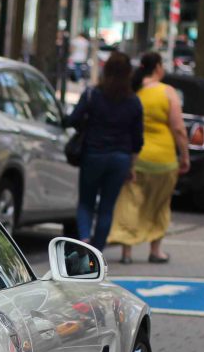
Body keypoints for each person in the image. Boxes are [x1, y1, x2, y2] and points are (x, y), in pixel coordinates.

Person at [109, 52, 191, 264]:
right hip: (164, 159)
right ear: (157, 68)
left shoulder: (133, 91)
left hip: (137, 157)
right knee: (160, 204)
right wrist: (185, 155)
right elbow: (178, 128)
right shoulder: (167, 92)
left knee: (130, 202)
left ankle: (126, 252)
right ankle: (156, 251)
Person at [66, 51, 144, 252]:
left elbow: (73, 119)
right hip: (120, 158)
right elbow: (138, 140)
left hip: (93, 154)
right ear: (128, 74)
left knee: (85, 202)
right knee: (107, 208)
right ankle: (96, 252)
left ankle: (83, 238)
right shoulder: (134, 102)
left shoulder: (93, 94)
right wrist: (131, 165)